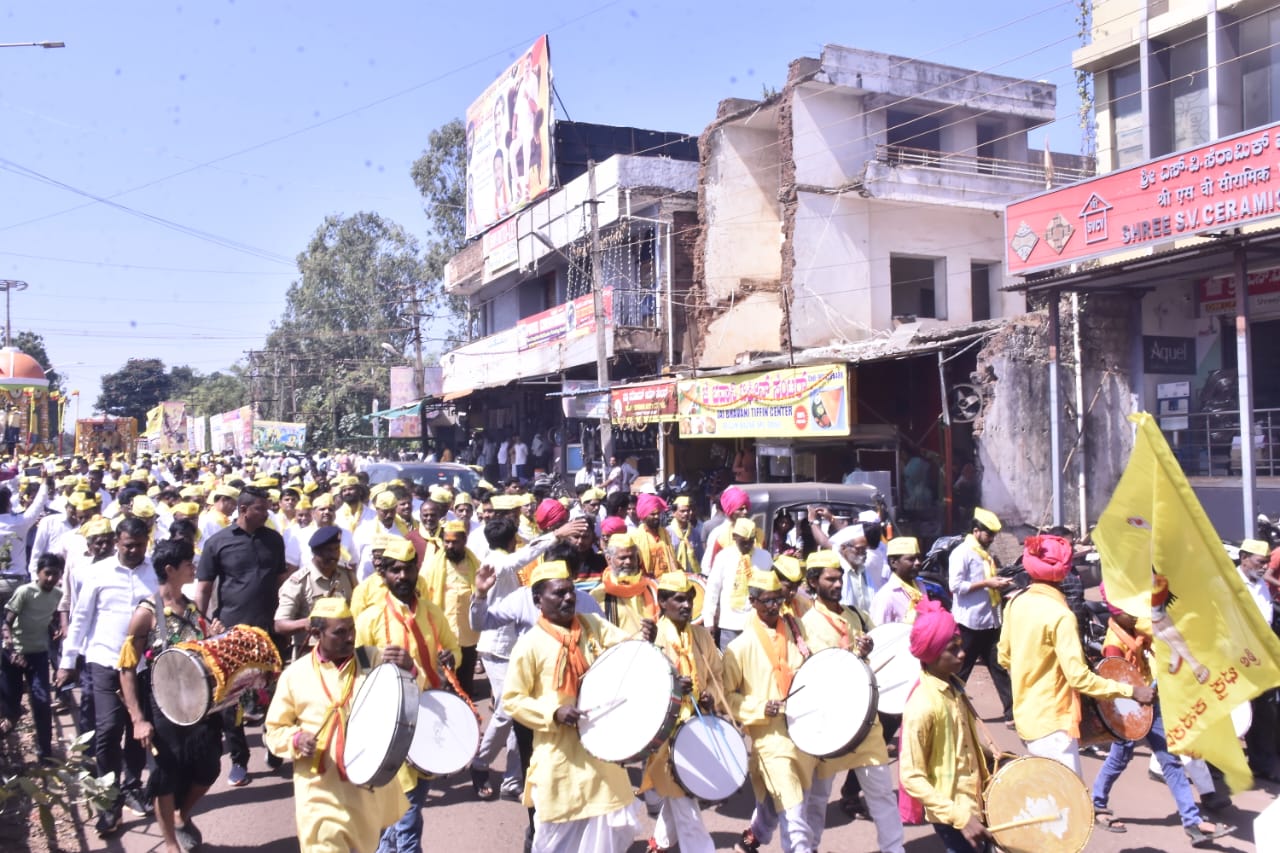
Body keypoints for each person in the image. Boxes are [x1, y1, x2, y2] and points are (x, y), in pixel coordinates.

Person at [501, 560, 654, 852]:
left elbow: (627, 650)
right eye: (558, 593)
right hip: (560, 761)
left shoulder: (592, 624)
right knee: (556, 840)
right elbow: (513, 699)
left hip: (601, 758)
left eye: (570, 591)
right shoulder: (529, 644)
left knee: (608, 833)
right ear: (538, 600)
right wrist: (553, 713)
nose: (569, 598)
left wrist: (645, 640)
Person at [1088, 585, 1235, 846]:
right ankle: (1098, 803)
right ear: (1117, 613)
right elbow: (1113, 683)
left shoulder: (1140, 628)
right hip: (1126, 712)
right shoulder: (1113, 644)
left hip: (1151, 705)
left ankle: (1192, 822)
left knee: (1171, 760)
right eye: (1130, 613)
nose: (1135, 616)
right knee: (1119, 759)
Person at [997, 534, 1154, 776]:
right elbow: (1078, 678)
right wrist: (1132, 691)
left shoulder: (1015, 602)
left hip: (1026, 718)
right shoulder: (1060, 615)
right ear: (1065, 571)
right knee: (1069, 806)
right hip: (1054, 724)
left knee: (1050, 796)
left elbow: (1003, 657)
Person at [264, 598, 412, 853]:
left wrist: (408, 667)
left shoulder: (370, 658)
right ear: (316, 634)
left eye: (352, 629)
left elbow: (407, 700)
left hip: (364, 789)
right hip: (319, 790)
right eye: (340, 632)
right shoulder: (295, 674)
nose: (350, 637)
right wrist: (297, 739)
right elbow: (274, 730)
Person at [117, 540, 225, 853]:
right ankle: (169, 844)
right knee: (164, 775)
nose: (194, 567)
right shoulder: (146, 613)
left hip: (199, 705)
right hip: (163, 706)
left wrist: (215, 633)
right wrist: (138, 719)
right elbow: (125, 668)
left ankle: (181, 814)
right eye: (188, 563)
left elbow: (203, 653)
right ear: (170, 570)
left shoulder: (191, 607)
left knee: (209, 767)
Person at [354, 537, 460, 852]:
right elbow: (354, 666)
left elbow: (453, 649)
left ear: (417, 571)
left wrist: (451, 659)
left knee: (407, 808)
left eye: (408, 570)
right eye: (395, 571)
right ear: (384, 575)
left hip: (425, 718)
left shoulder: (431, 613)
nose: (402, 577)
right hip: (385, 725)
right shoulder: (370, 617)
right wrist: (378, 658)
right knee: (406, 813)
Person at [56, 517, 158, 835]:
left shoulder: (153, 572)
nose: (134, 551)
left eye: (140, 546)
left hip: (142, 665)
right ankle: (109, 801)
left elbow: (162, 618)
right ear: (117, 541)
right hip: (103, 661)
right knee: (108, 730)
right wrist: (67, 660)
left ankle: (132, 787)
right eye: (129, 545)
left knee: (137, 729)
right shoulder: (97, 573)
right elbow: (81, 618)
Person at [800, 555, 905, 853]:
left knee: (882, 793)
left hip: (866, 720)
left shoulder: (855, 615)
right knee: (819, 798)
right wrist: (853, 657)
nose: (837, 584)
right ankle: (810, 848)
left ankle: (894, 849)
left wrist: (870, 648)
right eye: (829, 579)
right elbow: (818, 673)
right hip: (830, 724)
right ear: (812, 582)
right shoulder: (807, 624)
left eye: (839, 579)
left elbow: (880, 644)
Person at [195, 486, 288, 786]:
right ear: (244, 510)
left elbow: (277, 579)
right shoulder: (218, 543)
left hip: (270, 628)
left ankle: (274, 744)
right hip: (232, 632)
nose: (267, 512)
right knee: (231, 699)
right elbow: (205, 586)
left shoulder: (273, 540)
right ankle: (239, 760)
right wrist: (204, 624)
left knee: (274, 692)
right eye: (262, 508)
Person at [725, 570, 818, 853]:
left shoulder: (798, 630)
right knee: (793, 810)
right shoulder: (737, 648)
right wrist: (759, 708)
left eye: (777, 599)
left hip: (804, 731)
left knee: (783, 799)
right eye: (766, 601)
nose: (774, 606)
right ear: (752, 601)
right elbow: (727, 699)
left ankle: (752, 837)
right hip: (770, 739)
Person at [898, 599, 995, 853]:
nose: (962, 654)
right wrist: (960, 818)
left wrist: (994, 759)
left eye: (961, 646)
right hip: (953, 814)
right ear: (931, 654)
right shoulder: (922, 706)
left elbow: (962, 741)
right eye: (953, 649)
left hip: (975, 802)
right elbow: (911, 776)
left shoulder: (953, 686)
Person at [641, 571, 723, 853]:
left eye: (689, 599)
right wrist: (673, 686)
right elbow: (640, 687)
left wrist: (711, 694)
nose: (687, 605)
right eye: (679, 600)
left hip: (698, 728)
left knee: (681, 795)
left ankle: (660, 844)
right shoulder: (651, 636)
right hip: (666, 735)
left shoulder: (701, 636)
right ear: (662, 601)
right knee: (685, 803)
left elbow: (717, 675)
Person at [948, 509, 1015, 725]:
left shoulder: (984, 555)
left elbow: (987, 580)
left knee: (999, 668)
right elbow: (956, 586)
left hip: (990, 620)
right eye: (989, 535)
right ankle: (948, 710)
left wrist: (998, 582)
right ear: (976, 531)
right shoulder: (962, 553)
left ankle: (1012, 713)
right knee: (961, 670)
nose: (992, 539)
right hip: (969, 623)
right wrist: (988, 583)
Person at [1, 553, 63, 760]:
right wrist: (11, 649)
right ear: (38, 573)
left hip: (38, 654)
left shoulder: (57, 595)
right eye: (47, 573)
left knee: (42, 701)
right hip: (13, 655)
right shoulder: (24, 592)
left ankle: (45, 752)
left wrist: (55, 627)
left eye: (55, 574)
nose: (51, 578)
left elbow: (47, 617)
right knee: (10, 706)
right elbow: (6, 624)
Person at [274, 526, 357, 661]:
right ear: (315, 552)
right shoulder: (298, 582)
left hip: (345, 652)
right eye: (328, 551)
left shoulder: (347, 575)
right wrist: (305, 623)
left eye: (336, 550)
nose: (333, 556)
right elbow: (280, 625)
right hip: (311, 655)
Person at [420, 520, 481, 698]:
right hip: (442, 633)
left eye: (455, 542)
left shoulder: (475, 564)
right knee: (443, 681)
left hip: (468, 634)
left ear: (464, 540)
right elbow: (423, 592)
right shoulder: (433, 565)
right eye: (447, 541)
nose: (450, 545)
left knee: (466, 681)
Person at [1237, 538, 1280, 782]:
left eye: (1266, 562)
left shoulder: (1260, 584)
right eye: (1260, 561)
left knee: (1265, 710)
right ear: (1244, 558)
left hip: (1261, 659)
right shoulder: (1231, 584)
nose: (1265, 566)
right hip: (1238, 659)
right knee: (1237, 712)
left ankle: (1262, 763)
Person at [703, 518, 772, 651]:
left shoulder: (765, 557)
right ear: (734, 537)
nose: (747, 545)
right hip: (730, 623)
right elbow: (712, 590)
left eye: (751, 541)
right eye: (743, 542)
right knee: (730, 665)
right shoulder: (723, 557)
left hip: (757, 623)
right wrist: (709, 621)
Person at [591, 533, 659, 634]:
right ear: (608, 559)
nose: (628, 562)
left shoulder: (652, 588)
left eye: (632, 557)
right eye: (623, 558)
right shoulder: (598, 595)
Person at [870, 537, 929, 625]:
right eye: (911, 559)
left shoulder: (920, 586)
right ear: (893, 562)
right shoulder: (886, 596)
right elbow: (879, 633)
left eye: (918, 558)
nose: (918, 563)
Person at [633, 493, 676, 578]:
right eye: (652, 514)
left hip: (669, 581)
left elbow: (672, 558)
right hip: (649, 583)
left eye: (658, 513)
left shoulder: (665, 533)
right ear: (644, 516)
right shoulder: (635, 537)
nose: (656, 516)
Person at [666, 495, 703, 576]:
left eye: (688, 511)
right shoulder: (667, 533)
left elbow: (700, 557)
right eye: (682, 511)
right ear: (674, 513)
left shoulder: (695, 533)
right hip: (674, 578)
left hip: (693, 577)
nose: (686, 513)